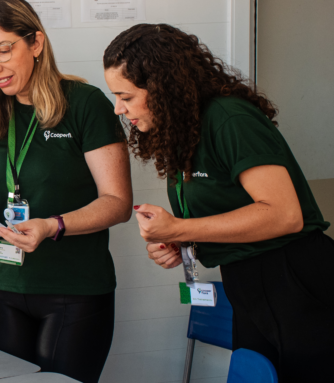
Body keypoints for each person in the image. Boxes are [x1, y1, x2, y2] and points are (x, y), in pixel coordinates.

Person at [103, 23, 331, 381]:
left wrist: (181, 227)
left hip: (294, 279)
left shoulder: (229, 118)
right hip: (248, 285)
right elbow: (228, 212)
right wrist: (183, 240)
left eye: (126, 97)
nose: (119, 108)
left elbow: (286, 215)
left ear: (163, 89)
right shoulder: (187, 128)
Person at [0, 0, 132, 383]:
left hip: (73, 290)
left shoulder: (84, 104)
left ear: (36, 43)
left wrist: (51, 225)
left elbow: (117, 203)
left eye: (3, 50)